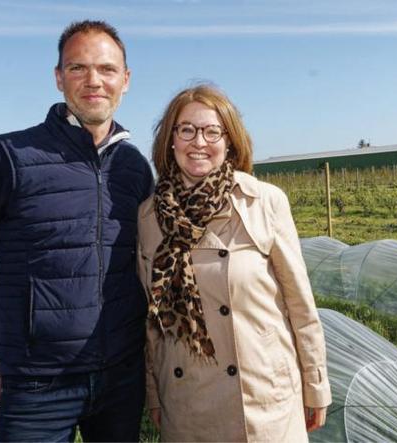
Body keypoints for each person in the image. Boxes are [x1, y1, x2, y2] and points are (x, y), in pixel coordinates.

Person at [0, 20, 153, 442]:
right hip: (38, 387)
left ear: (125, 81)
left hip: (122, 380)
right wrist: (5, 343)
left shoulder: (135, 168)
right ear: (59, 78)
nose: (94, 81)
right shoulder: (7, 157)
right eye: (78, 68)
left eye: (107, 70)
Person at [137, 84, 332, 442]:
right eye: (187, 130)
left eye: (213, 131)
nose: (199, 142)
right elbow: (153, 324)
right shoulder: (149, 216)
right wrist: (154, 393)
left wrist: (316, 382)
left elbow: (299, 305)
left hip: (262, 400)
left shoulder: (264, 201)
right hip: (185, 403)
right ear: (170, 141)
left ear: (230, 141)